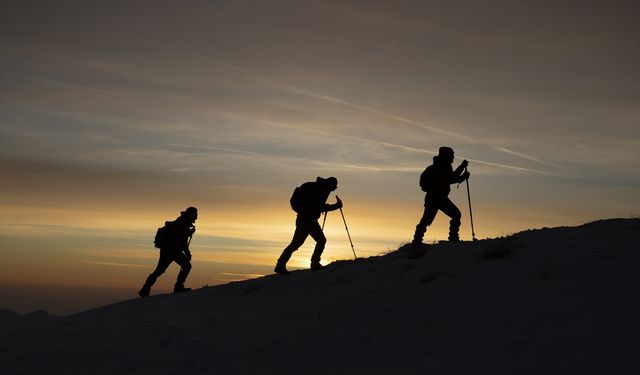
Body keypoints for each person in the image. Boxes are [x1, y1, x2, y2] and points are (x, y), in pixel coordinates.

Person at [275, 177, 343, 274]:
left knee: (296, 244)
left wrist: (331, 207)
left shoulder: (318, 188)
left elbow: (317, 206)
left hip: (305, 219)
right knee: (320, 240)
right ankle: (314, 263)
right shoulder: (317, 190)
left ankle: (280, 265)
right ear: (329, 184)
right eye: (333, 188)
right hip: (308, 220)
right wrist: (335, 206)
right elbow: (317, 207)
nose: (332, 190)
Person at [410, 147, 470, 257]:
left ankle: (418, 241)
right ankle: (417, 243)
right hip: (435, 198)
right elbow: (450, 179)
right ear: (446, 156)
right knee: (427, 220)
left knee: (454, 215)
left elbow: (450, 177)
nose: (452, 158)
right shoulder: (440, 167)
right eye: (451, 156)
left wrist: (461, 169)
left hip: (439, 197)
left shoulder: (440, 166)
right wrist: (462, 176)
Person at [139, 207, 197, 297]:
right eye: (195, 215)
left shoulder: (181, 221)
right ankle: (178, 287)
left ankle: (145, 289)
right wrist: (188, 253)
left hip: (167, 250)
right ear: (191, 214)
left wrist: (188, 234)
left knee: (159, 270)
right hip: (173, 250)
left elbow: (180, 237)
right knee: (187, 266)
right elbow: (182, 241)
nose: (196, 217)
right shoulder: (183, 223)